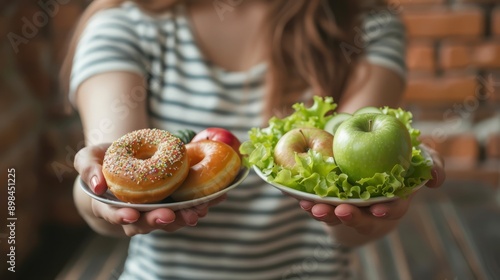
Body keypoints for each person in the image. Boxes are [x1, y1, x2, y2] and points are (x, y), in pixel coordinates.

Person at [63, 0, 446, 279]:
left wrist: (379, 195)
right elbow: (107, 177)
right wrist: (100, 197)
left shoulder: (367, 26)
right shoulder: (123, 27)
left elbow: (356, 217)